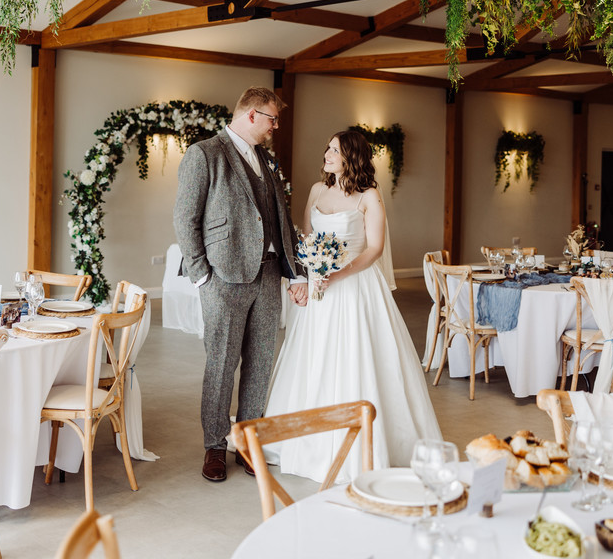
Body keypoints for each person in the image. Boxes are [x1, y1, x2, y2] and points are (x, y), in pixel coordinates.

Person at [263, 130, 442, 484]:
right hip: (319, 287)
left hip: (356, 286)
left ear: (351, 157)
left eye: (335, 149)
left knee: (356, 355)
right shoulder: (316, 190)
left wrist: (339, 273)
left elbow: (374, 248)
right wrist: (307, 273)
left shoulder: (369, 196)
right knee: (314, 357)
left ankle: (364, 442)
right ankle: (308, 437)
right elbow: (305, 236)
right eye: (327, 147)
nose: (327, 154)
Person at [173, 86, 308, 483]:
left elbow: (280, 219)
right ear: (251, 115)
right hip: (222, 278)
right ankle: (215, 447)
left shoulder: (265, 159)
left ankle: (247, 442)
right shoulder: (205, 153)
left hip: (268, 276)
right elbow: (185, 218)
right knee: (221, 365)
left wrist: (294, 270)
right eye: (271, 119)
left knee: (260, 363)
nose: (275, 127)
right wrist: (202, 275)